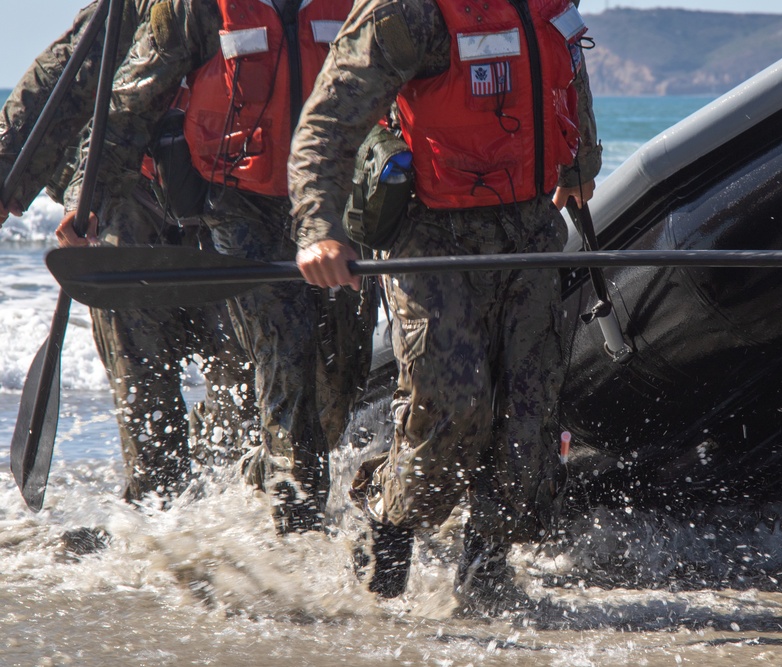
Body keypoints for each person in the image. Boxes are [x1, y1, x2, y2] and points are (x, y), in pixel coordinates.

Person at [289, 0, 601, 612]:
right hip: (431, 236)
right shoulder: (408, 13)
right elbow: (328, 122)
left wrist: (579, 161)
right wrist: (319, 228)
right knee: (453, 412)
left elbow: (565, 67)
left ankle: (484, 577)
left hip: (528, 229)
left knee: (527, 421)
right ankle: (385, 516)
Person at [75, 0, 376, 534]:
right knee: (286, 349)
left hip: (335, 203)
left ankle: (257, 467)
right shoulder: (195, 6)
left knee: (340, 369)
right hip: (241, 202)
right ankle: (299, 535)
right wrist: (88, 196)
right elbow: (131, 100)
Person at [0, 2, 257, 507]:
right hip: (131, 196)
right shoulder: (132, 7)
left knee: (243, 383)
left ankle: (222, 509)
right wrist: (9, 178)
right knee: (146, 393)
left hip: (239, 201)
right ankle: (156, 530)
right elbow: (64, 79)